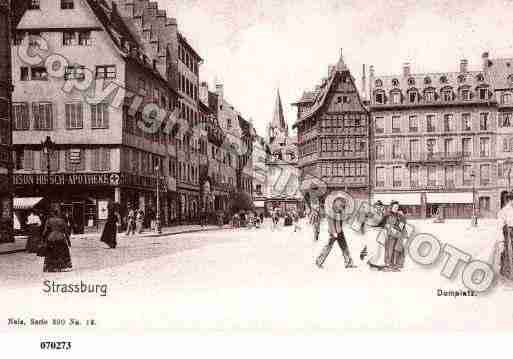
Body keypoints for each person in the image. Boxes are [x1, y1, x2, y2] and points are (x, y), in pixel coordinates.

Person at [315, 197, 355, 269]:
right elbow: (330, 223)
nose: (343, 206)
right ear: (336, 203)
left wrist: (346, 215)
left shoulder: (339, 211)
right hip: (334, 232)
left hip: (339, 232)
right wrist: (334, 232)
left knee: (344, 247)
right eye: (341, 204)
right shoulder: (331, 212)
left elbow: (343, 219)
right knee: (328, 247)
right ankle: (319, 261)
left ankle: (348, 262)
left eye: (343, 205)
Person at [41, 205, 72, 272]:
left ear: (52, 213)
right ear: (58, 213)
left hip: (51, 237)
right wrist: (68, 241)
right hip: (60, 237)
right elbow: (66, 232)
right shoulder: (62, 221)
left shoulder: (49, 220)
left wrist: (43, 239)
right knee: (62, 252)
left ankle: (50, 266)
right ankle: (61, 266)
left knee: (50, 253)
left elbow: (45, 231)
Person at [383, 201, 407, 271]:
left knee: (398, 250)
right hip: (391, 235)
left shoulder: (399, 216)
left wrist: (404, 235)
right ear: (391, 207)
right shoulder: (387, 215)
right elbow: (385, 225)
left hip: (398, 235)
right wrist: (391, 229)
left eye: (397, 207)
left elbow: (402, 226)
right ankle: (389, 265)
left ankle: (396, 265)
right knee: (390, 250)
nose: (396, 208)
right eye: (395, 207)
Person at [497, 193, 513, 280]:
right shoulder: (503, 211)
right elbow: (499, 227)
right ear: (509, 200)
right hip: (509, 236)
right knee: (508, 255)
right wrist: (501, 241)